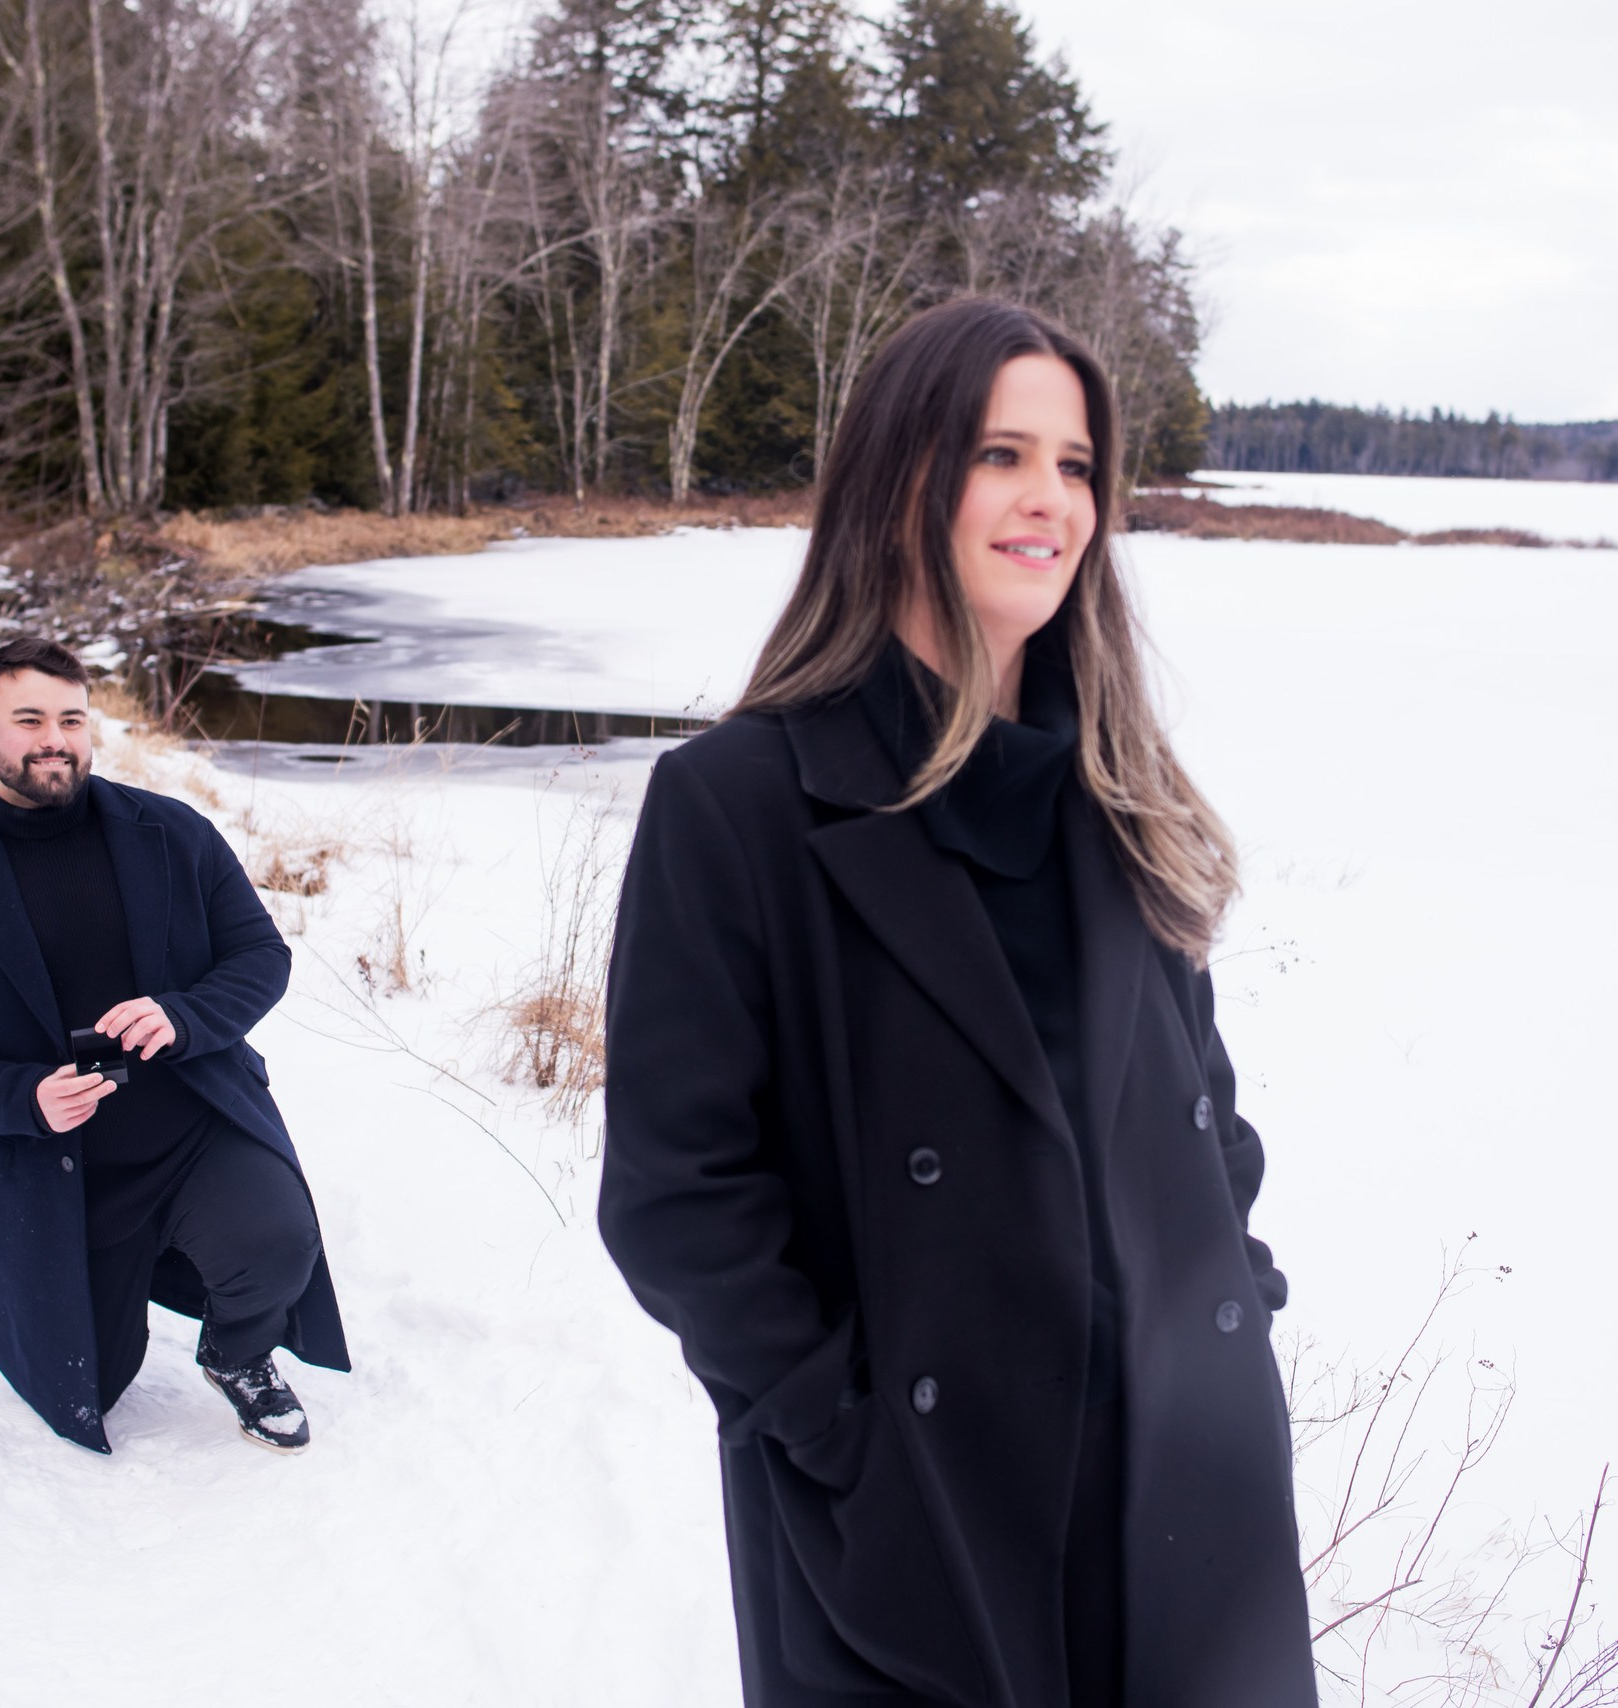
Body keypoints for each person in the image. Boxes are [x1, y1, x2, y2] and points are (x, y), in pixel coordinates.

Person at [598, 299, 1316, 1706]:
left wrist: (1239, 1313)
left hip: (1176, 1491)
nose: (1050, 498)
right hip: (919, 1514)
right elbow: (678, 1192)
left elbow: (1203, 1116)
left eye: (1077, 464)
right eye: (1002, 454)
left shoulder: (1117, 794)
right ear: (899, 478)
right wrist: (838, 1434)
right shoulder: (740, 803)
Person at [0, 638, 347, 1454]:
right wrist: (23, 1100)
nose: (53, 738)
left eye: (70, 718)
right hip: (58, 1169)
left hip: (191, 1126)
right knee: (93, 1382)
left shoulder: (170, 834)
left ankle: (237, 1356)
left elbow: (261, 956)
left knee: (279, 1243)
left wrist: (184, 1016)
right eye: (28, 719)